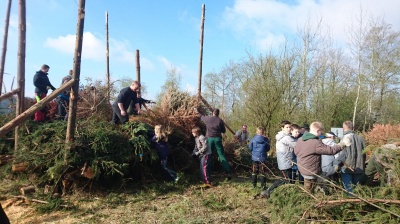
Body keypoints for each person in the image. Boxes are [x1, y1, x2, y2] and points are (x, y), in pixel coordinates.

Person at [294, 122, 350, 193]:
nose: (321, 134)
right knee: (309, 191)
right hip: (311, 172)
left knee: (313, 185)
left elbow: (296, 151)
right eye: (321, 132)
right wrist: (343, 144)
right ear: (317, 131)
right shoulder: (315, 142)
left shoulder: (300, 139)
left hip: (303, 169)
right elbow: (331, 150)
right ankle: (310, 201)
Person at [262, 121, 298, 197]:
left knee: (288, 180)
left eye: (290, 127)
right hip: (285, 161)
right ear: (282, 128)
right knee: (285, 179)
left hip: (285, 160)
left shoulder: (282, 136)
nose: (289, 129)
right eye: (287, 127)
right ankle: (268, 191)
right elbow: (296, 145)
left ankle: (286, 194)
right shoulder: (286, 138)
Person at [199, 108, 232, 180]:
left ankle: (209, 173)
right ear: (218, 114)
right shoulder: (220, 121)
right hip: (217, 139)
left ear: (212, 113)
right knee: (221, 155)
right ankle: (228, 172)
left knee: (209, 156)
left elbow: (201, 117)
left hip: (209, 139)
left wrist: (196, 110)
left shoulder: (208, 119)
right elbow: (223, 131)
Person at [337, 120, 366, 194]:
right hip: (359, 167)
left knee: (349, 190)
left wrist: (337, 164)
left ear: (343, 128)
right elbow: (364, 153)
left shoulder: (344, 138)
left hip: (347, 167)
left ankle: (351, 203)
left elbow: (342, 155)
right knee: (356, 189)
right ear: (353, 128)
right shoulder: (361, 139)